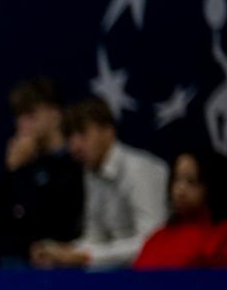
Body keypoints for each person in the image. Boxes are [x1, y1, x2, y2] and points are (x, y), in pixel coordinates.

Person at [31, 99, 169, 269]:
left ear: (108, 131)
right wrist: (61, 251)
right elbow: (95, 238)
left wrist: (84, 256)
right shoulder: (90, 172)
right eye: (70, 137)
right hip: (116, 273)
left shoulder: (139, 169)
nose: (74, 146)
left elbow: (152, 243)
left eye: (83, 133)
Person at [0, 76, 83, 261]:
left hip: (65, 259)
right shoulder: (23, 163)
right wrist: (14, 170)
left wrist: (19, 172)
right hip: (19, 261)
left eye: (31, 115)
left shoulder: (76, 160)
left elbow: (54, 217)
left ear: (56, 114)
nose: (23, 125)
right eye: (19, 117)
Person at [133, 151, 227, 269]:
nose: (180, 189)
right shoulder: (159, 237)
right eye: (176, 179)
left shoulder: (222, 235)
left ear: (212, 184)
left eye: (191, 181)